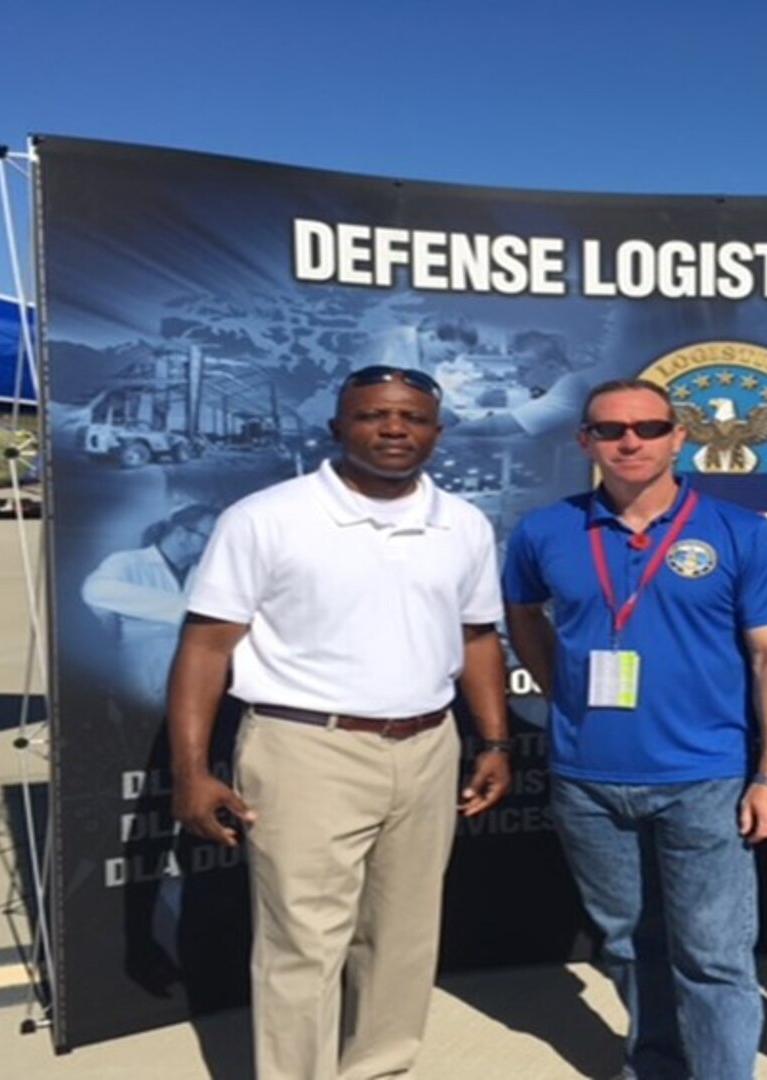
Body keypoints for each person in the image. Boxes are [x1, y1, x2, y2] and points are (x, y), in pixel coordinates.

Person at [166, 365, 513, 1080]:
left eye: (412, 418)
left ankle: (378, 1070)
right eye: (372, 415)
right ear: (336, 427)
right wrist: (191, 772)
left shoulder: (463, 523)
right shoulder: (266, 518)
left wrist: (495, 740)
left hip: (426, 747)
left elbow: (478, 637)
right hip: (305, 749)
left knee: (403, 938)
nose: (393, 429)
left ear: (436, 433)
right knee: (303, 944)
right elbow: (204, 646)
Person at [502, 377, 767, 1080]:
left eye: (646, 428)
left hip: (704, 777)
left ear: (678, 437)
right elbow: (522, 618)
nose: (628, 441)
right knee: (628, 945)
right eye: (610, 430)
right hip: (588, 781)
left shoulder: (738, 532)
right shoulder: (545, 530)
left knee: (712, 953)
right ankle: (657, 1067)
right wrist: (564, 694)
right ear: (586, 441)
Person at [80, 502, 219, 706]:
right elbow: (95, 590)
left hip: (193, 674)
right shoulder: (127, 562)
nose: (215, 545)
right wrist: (189, 611)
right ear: (181, 533)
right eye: (210, 537)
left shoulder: (206, 572)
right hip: (139, 674)